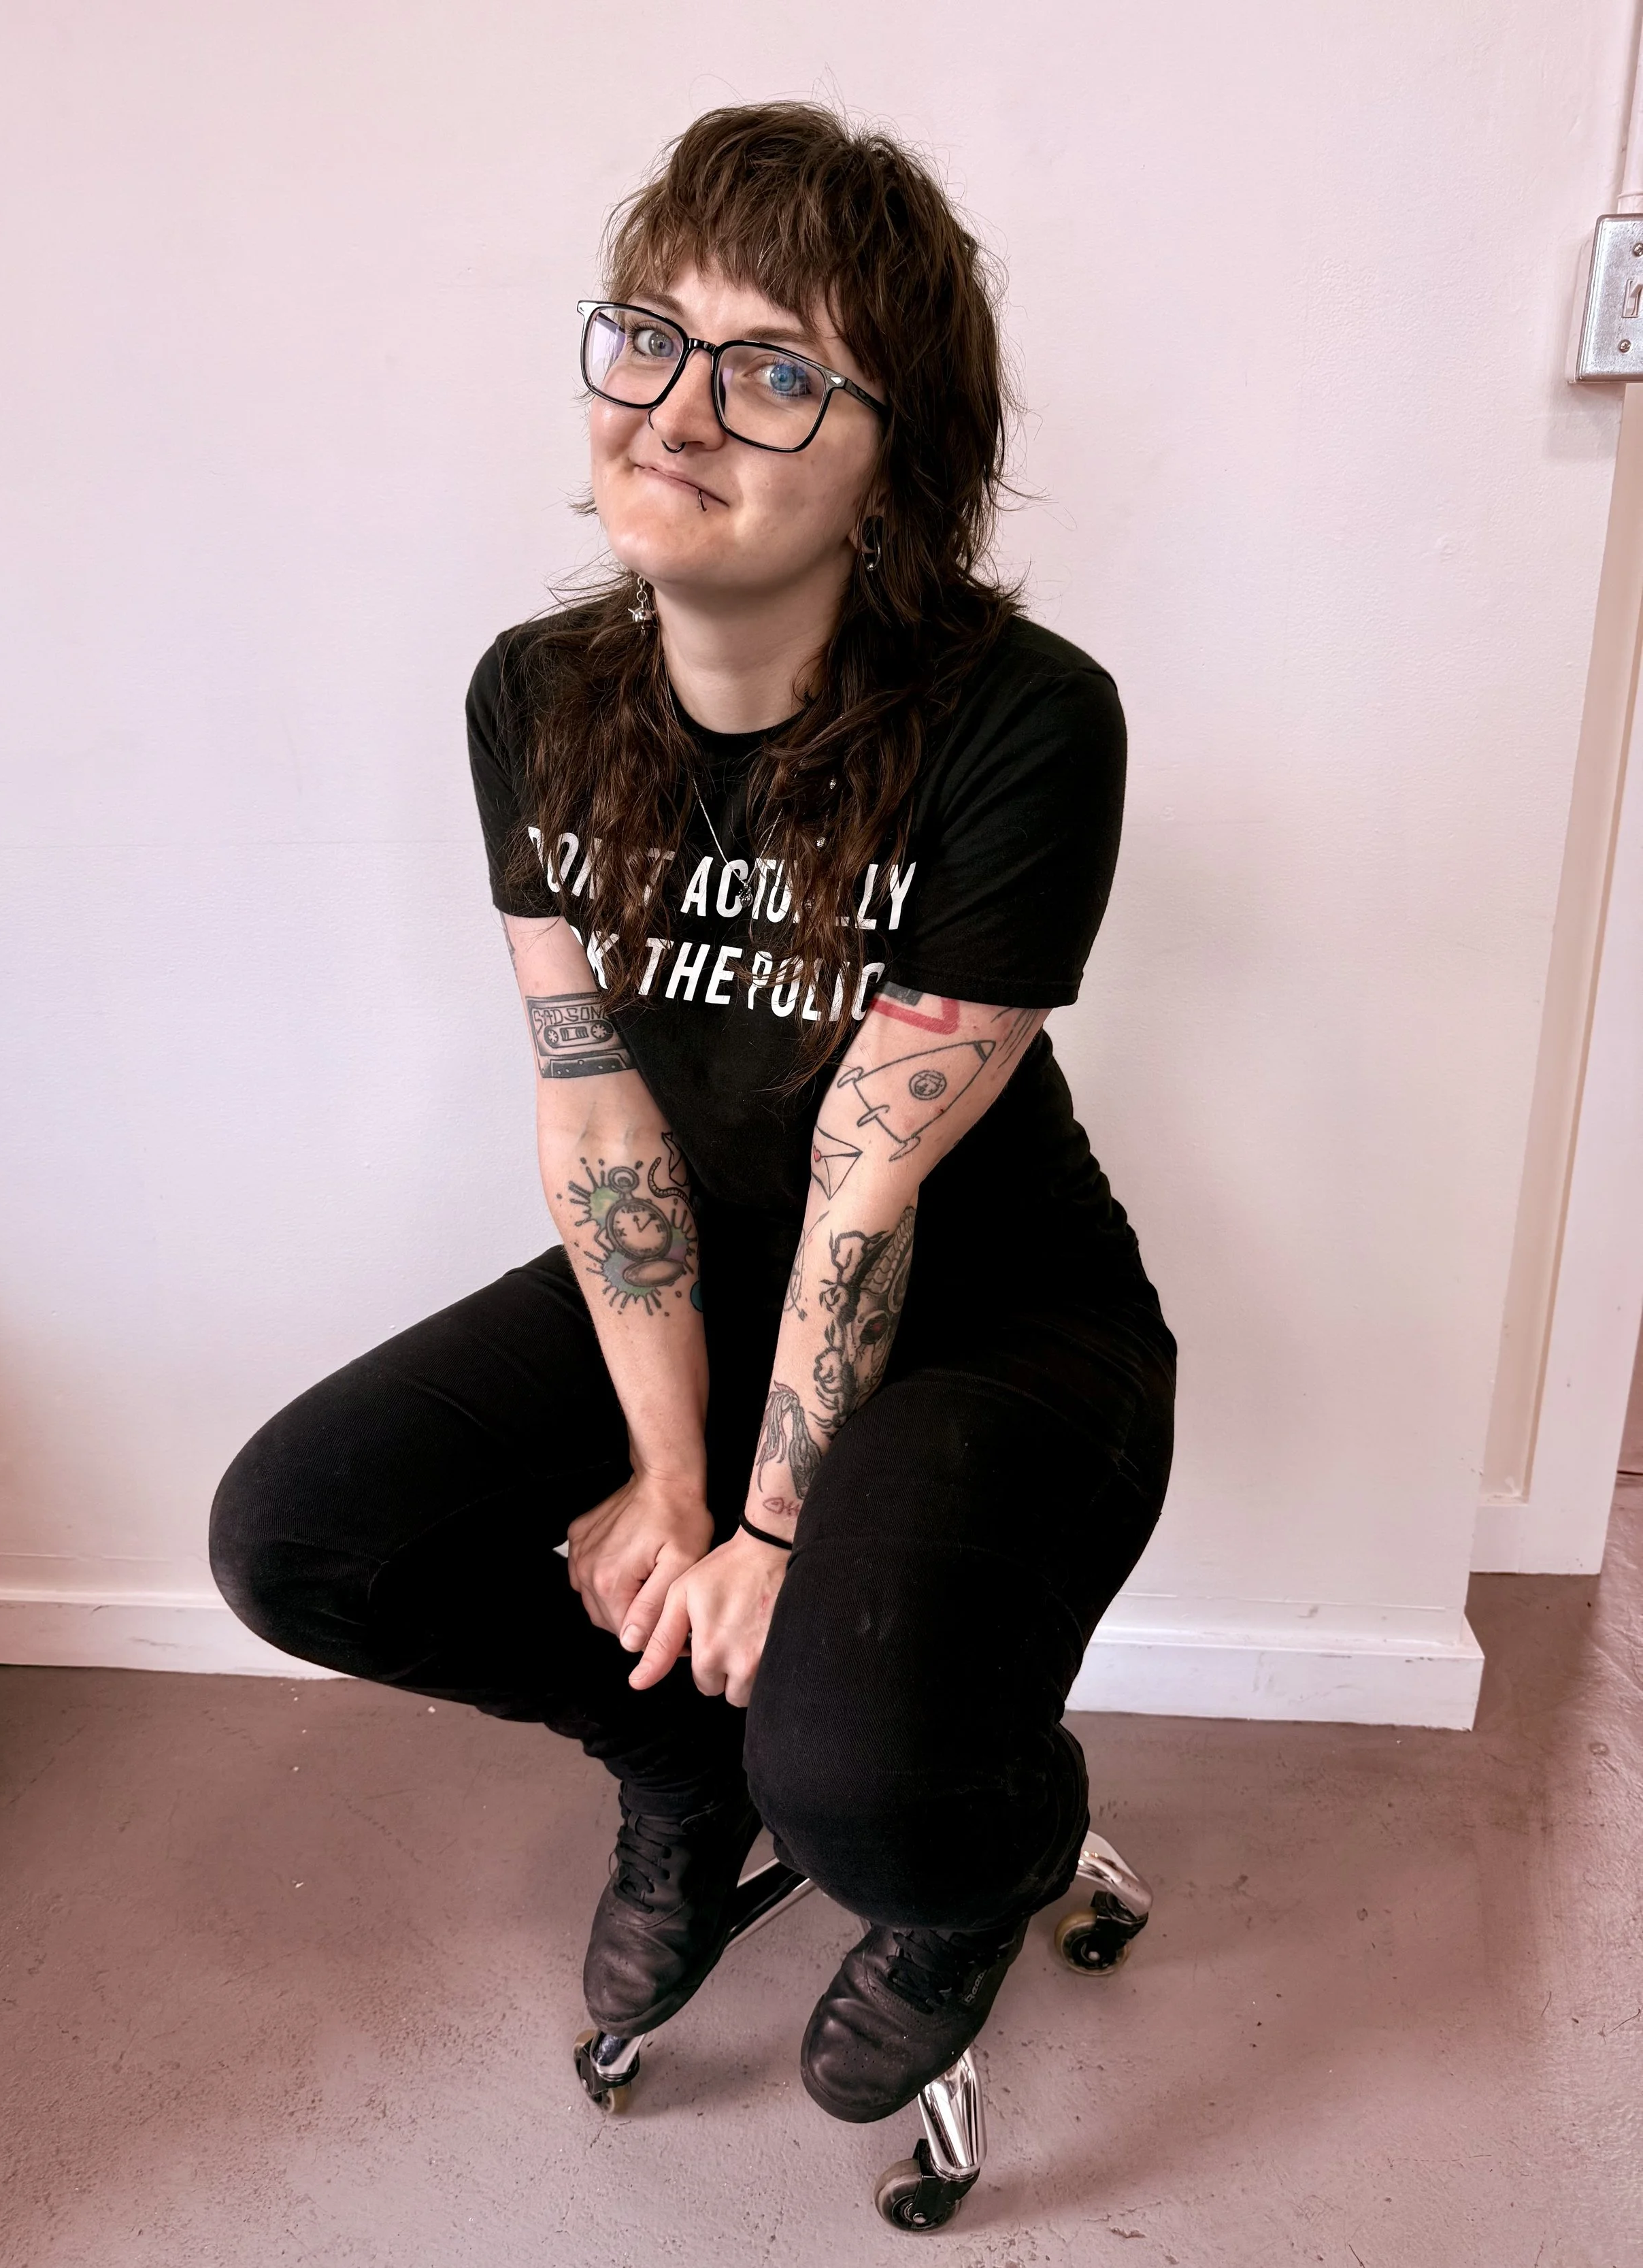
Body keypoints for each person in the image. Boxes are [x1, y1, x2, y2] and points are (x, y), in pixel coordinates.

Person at [210, 101, 1176, 2126]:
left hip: (999, 1317)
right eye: (646, 334)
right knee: (300, 1533)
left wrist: (760, 1525)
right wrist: (664, 1481)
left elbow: (871, 1162)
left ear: (895, 465)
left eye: (772, 368)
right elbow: (599, 1122)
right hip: (718, 1267)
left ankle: (984, 1850)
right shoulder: (536, 698)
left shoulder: (1022, 718)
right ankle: (673, 1762)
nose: (676, 405)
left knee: (865, 1786)